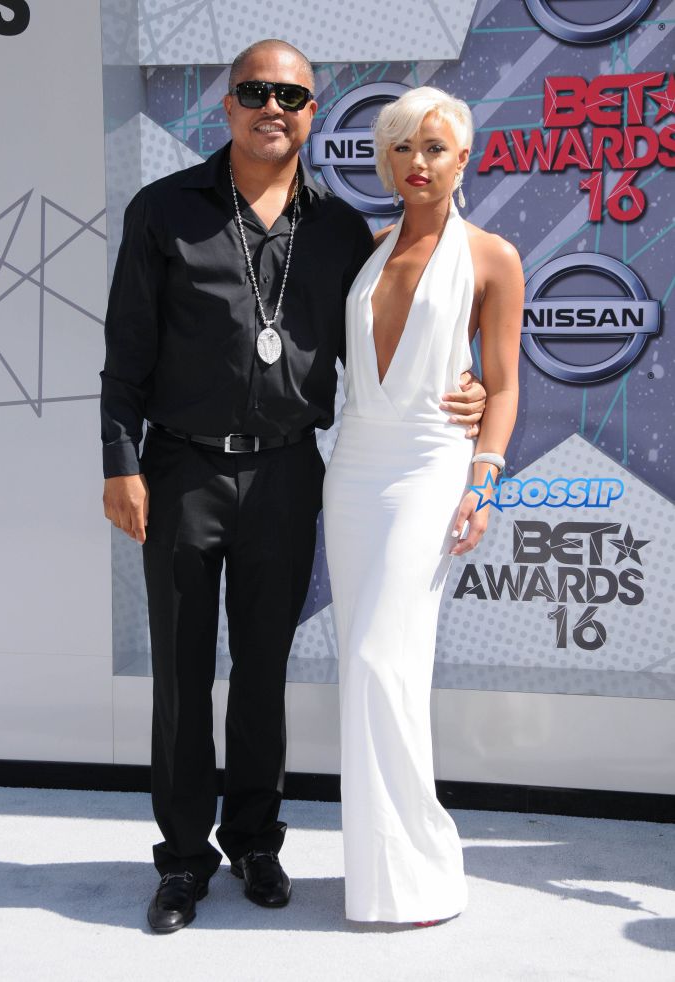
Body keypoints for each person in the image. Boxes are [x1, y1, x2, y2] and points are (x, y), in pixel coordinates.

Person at [101, 41, 486, 934]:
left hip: (288, 473)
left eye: (292, 95)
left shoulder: (341, 230)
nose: (273, 106)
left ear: (314, 112)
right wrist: (120, 461)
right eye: (254, 92)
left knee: (264, 672)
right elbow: (126, 354)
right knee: (182, 676)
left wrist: (458, 387)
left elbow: (388, 343)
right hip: (181, 471)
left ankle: (255, 840)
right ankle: (184, 861)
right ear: (227, 105)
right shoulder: (164, 212)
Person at [323, 86, 524, 924]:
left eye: (434, 148)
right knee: (372, 669)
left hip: (432, 466)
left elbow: (505, 383)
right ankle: (386, 876)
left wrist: (484, 478)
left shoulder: (493, 257)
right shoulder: (365, 252)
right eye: (402, 148)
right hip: (355, 467)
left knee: (380, 660)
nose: (417, 162)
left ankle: (424, 862)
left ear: (464, 157)